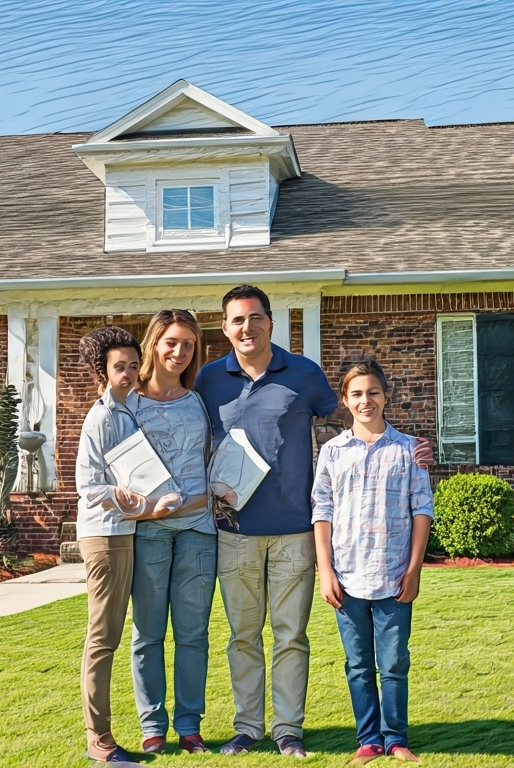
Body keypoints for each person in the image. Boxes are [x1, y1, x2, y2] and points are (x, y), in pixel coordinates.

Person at [193, 285, 338, 758]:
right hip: (234, 532)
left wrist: (400, 444)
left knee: (291, 635)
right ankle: (248, 727)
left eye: (255, 318)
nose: (247, 327)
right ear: (225, 327)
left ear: (271, 322)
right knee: (242, 636)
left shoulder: (304, 374)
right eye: (237, 320)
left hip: (295, 529)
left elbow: (347, 422)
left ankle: (288, 729)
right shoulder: (209, 380)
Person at [312, 358, 433, 765]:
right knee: (359, 664)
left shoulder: (408, 450)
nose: (367, 401)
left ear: (386, 396)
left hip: (394, 575)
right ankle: (368, 740)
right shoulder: (331, 452)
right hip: (346, 577)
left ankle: (396, 738)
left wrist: (414, 569)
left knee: (395, 663)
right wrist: (325, 570)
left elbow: (422, 510)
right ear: (345, 400)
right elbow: (321, 512)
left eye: (374, 392)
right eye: (357, 394)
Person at [73, 326, 173, 764]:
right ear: (102, 369)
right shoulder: (100, 417)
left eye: (134, 365)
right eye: (120, 366)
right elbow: (89, 485)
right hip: (105, 536)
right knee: (103, 638)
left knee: (117, 635)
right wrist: (132, 500)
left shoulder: (128, 409)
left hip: (126, 532)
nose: (130, 373)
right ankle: (99, 740)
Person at [128, 308, 218, 755]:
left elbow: (211, 464)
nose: (179, 352)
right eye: (171, 342)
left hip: (199, 531)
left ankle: (188, 726)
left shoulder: (198, 400)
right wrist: (147, 511)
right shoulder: (129, 401)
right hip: (148, 532)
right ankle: (151, 727)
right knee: (147, 633)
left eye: (188, 344)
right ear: (154, 343)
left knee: (192, 633)